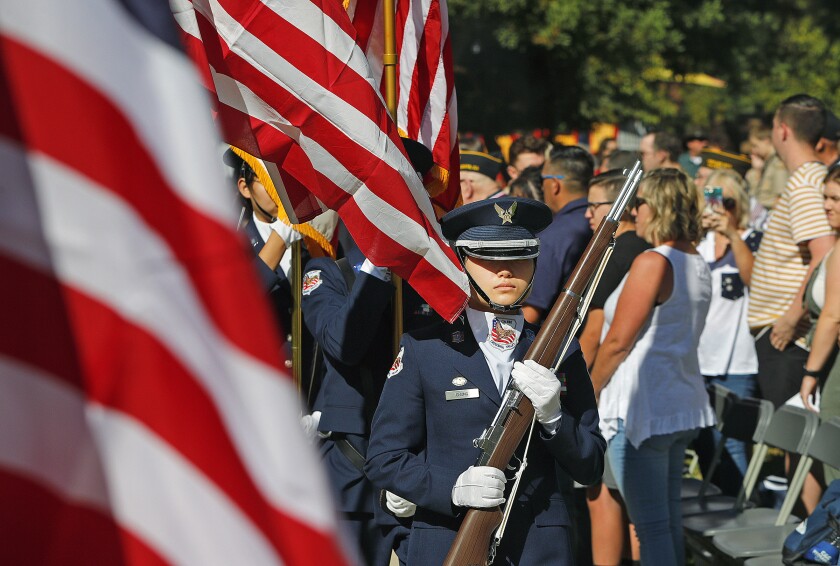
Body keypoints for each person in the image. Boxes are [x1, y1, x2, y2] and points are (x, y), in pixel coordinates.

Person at [365, 197, 605, 566]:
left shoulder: (561, 351)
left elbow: (590, 466)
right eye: (488, 258)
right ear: (462, 261)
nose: (505, 271)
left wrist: (556, 420)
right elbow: (385, 458)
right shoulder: (424, 349)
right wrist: (453, 488)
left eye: (518, 257)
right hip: (449, 538)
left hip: (539, 548)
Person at [302, 139, 442, 566]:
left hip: (430, 461)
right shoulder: (328, 274)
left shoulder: (439, 276)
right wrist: (380, 264)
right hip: (355, 466)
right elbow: (344, 345)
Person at [590, 168, 716, 566]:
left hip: (642, 408)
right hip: (679, 403)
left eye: (639, 202)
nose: (634, 210)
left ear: (657, 206)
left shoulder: (653, 261)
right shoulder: (695, 259)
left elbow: (617, 341)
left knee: (652, 527)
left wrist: (588, 390)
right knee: (667, 523)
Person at [578, 170, 650, 566]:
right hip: (627, 390)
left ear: (621, 207)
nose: (589, 214)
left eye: (596, 205)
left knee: (607, 492)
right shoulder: (639, 249)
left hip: (611, 389)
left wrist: (583, 386)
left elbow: (596, 329)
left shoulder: (622, 251)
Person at [695, 169, 761, 495]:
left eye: (727, 201)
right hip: (697, 360)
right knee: (704, 441)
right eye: (711, 199)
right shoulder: (699, 244)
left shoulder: (753, 239)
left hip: (737, 361)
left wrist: (733, 235)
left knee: (733, 444)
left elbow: (756, 282)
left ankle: (743, 507)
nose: (719, 209)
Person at [523, 146, 594, 324]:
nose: (541, 187)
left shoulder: (554, 235)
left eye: (542, 180)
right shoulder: (597, 219)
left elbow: (531, 311)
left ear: (554, 184)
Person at [800, 166, 840, 485]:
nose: (827, 205)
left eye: (836, 199)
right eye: (825, 197)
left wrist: (811, 373)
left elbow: (833, 314)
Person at [748, 123, 789, 212]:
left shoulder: (777, 163)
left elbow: (780, 198)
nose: (753, 150)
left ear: (766, 141)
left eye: (755, 145)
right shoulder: (768, 163)